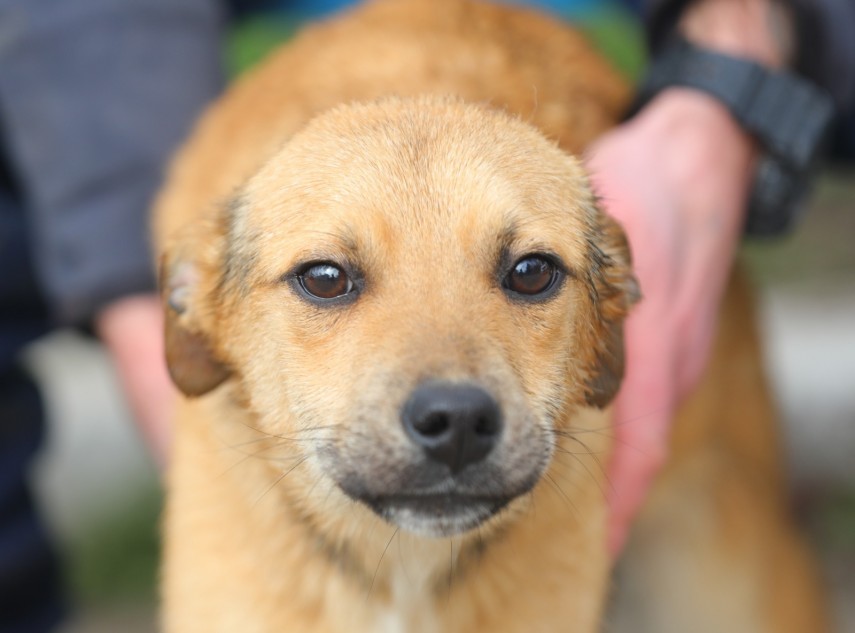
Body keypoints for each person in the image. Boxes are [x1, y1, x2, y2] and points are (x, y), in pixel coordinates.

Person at [0, 0, 852, 630]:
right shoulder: (215, 267)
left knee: (723, 582)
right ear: (200, 322)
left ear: (608, 323)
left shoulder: (600, 256)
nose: (450, 394)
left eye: (525, 274)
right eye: (329, 279)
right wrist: (122, 267)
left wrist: (731, 78)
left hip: (636, 116)